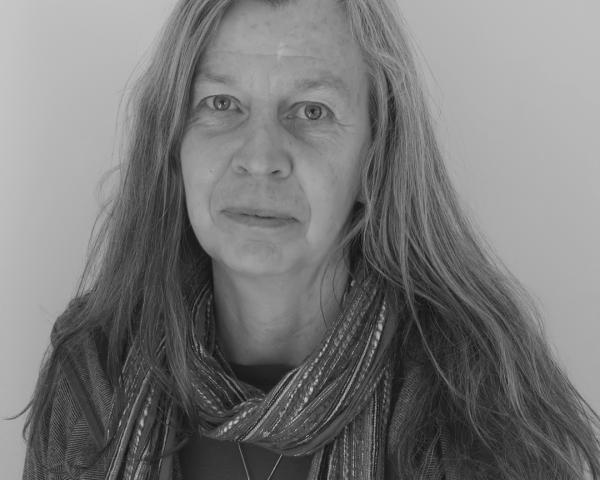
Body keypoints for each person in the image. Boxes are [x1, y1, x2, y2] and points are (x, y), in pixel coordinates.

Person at [21, 0, 600, 478]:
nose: (260, 157)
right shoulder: (94, 373)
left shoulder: (478, 411)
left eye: (312, 111)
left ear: (376, 160)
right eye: (222, 104)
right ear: (173, 144)